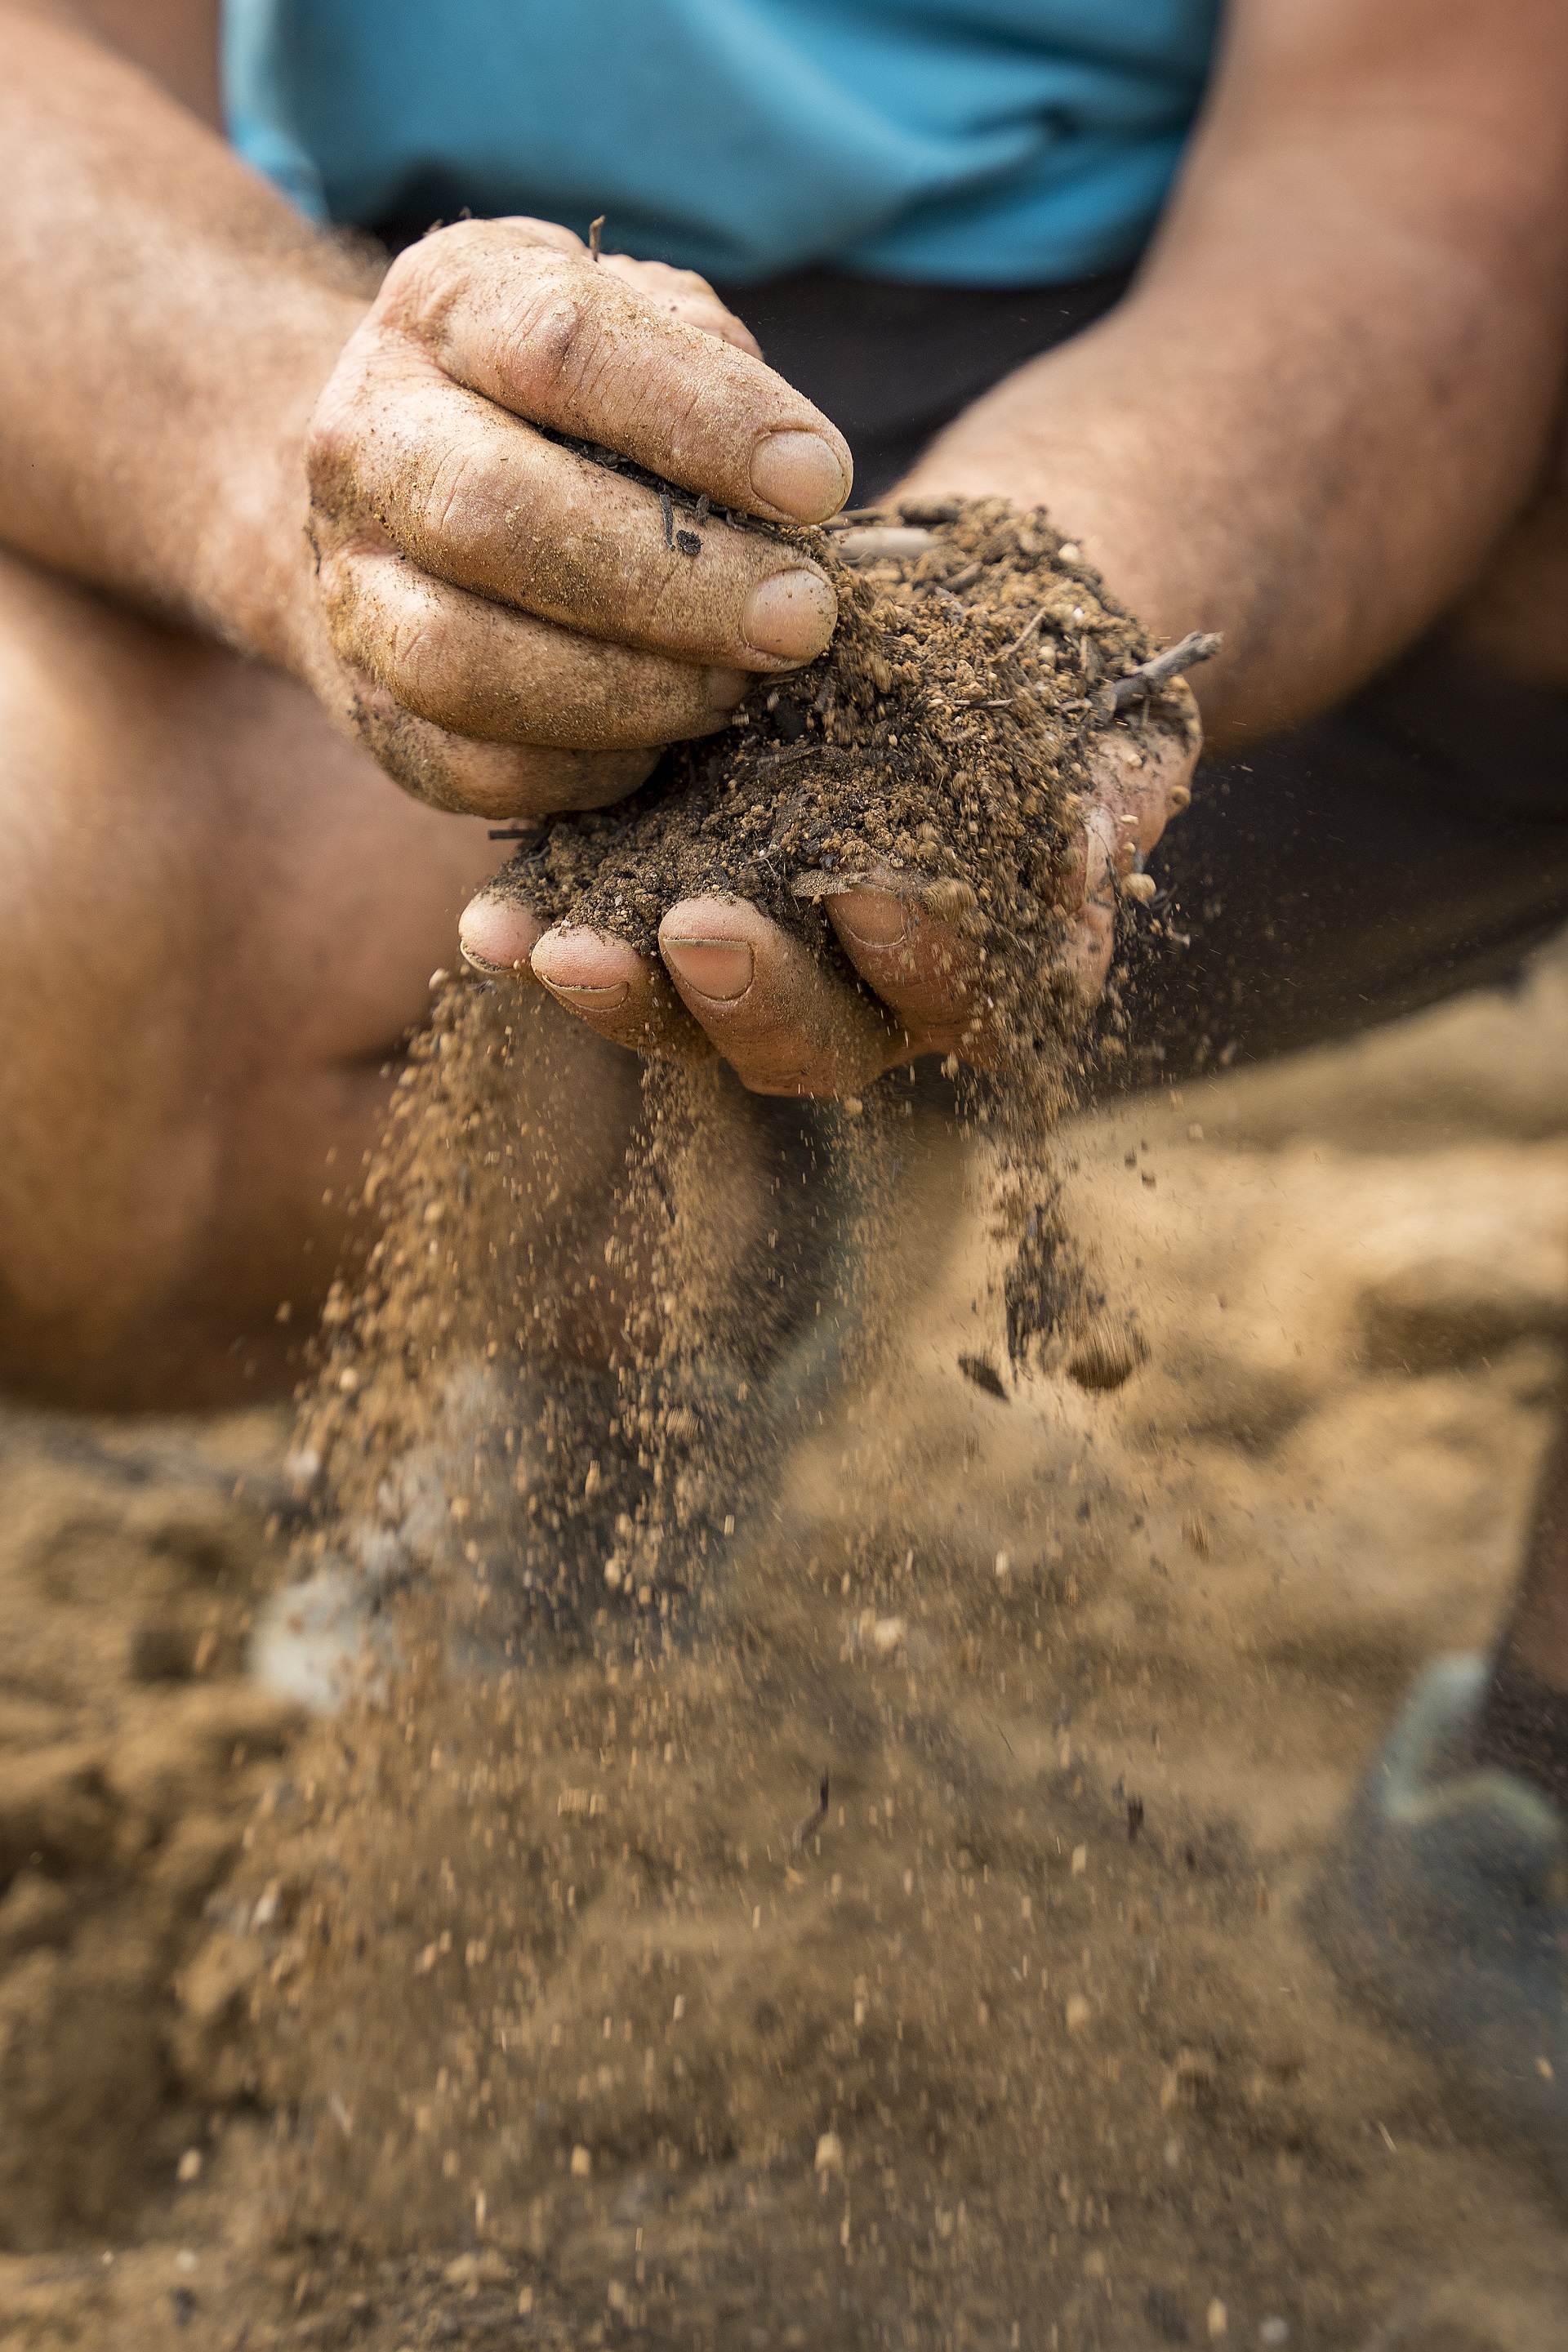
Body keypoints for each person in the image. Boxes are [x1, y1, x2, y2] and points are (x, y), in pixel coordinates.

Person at [2, 0, 1567, 2147]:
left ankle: (1541, 1797)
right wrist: (327, 457)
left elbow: (1433, 148)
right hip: (436, 304)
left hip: (1264, 401)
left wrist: (1020, 610)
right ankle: (671, 1276)